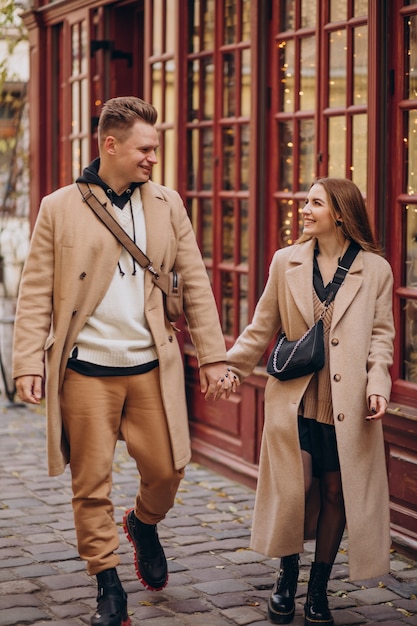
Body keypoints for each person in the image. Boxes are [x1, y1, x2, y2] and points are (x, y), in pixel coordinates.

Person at [12, 96, 230, 626]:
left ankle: (143, 523)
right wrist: (27, 363)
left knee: (168, 467)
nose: (154, 157)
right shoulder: (58, 206)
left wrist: (214, 356)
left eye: (155, 148)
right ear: (110, 145)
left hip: (151, 366)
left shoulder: (166, 203)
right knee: (91, 484)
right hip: (86, 369)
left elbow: (196, 283)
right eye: (145, 148)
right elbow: (35, 289)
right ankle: (108, 583)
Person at [210, 178, 394, 626]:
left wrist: (379, 382)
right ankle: (286, 576)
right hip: (294, 401)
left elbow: (382, 337)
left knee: (335, 493)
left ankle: (318, 590)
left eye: (315, 202)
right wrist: (232, 365)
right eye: (305, 201)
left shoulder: (376, 270)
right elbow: (261, 325)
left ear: (340, 214)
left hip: (349, 406)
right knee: (299, 487)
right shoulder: (285, 261)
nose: (304, 209)